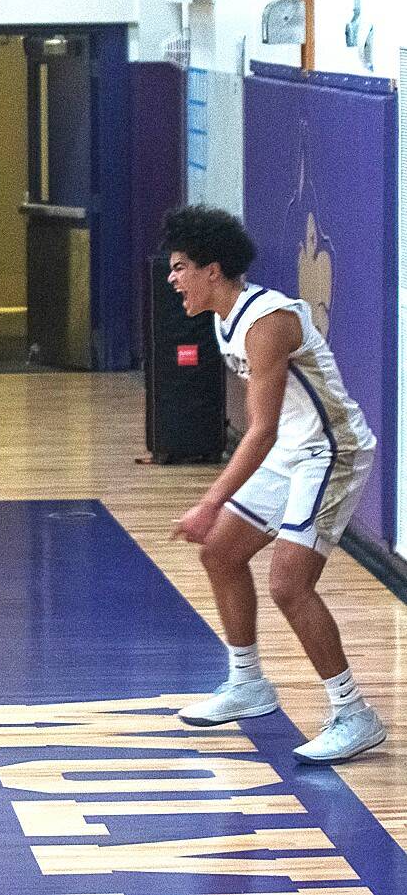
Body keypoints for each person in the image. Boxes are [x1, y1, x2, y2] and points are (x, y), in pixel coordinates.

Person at [164, 205, 385, 764]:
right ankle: (248, 685)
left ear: (213, 270)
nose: (172, 279)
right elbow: (267, 425)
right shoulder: (223, 316)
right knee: (221, 553)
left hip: (331, 451)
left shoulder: (268, 322)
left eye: (180, 267)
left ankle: (353, 712)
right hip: (290, 449)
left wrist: (209, 500)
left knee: (289, 582)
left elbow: (258, 429)